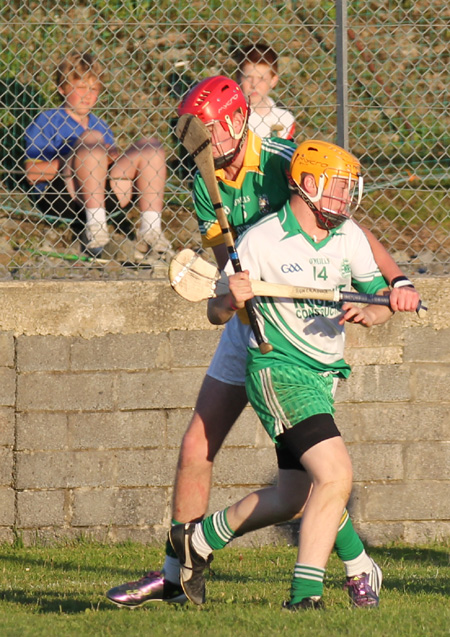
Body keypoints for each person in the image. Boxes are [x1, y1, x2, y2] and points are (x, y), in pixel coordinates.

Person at [106, 76, 421, 608]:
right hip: (249, 317)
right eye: (192, 137)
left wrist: (396, 282)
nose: (196, 147)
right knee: (197, 447)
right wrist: (228, 301)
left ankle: (350, 565)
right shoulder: (206, 184)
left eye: (204, 134)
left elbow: (348, 227)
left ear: (233, 123)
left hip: (300, 331)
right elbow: (223, 274)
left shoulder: (283, 161)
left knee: (306, 478)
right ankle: (178, 575)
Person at [169, 139, 398, 610]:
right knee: (335, 476)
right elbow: (216, 311)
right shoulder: (262, 239)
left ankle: (200, 539)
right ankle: (304, 598)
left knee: (294, 495)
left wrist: (374, 309)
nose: (347, 199)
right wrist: (229, 297)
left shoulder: (348, 235)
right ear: (309, 185)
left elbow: (377, 299)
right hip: (279, 372)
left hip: (322, 375)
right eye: (338, 189)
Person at [24, 50, 172, 262]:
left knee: (151, 146)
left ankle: (151, 230)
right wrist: (71, 159)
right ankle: (95, 230)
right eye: (81, 87)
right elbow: (32, 173)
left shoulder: (100, 124)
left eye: (94, 89)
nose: (88, 94)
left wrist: (110, 157)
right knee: (91, 140)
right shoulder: (47, 121)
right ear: (62, 89)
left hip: (107, 192)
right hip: (63, 195)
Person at [234, 42, 296, 140]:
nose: (254, 85)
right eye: (248, 77)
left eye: (261, 79)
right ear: (238, 76)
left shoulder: (285, 118)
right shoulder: (233, 117)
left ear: (273, 81)